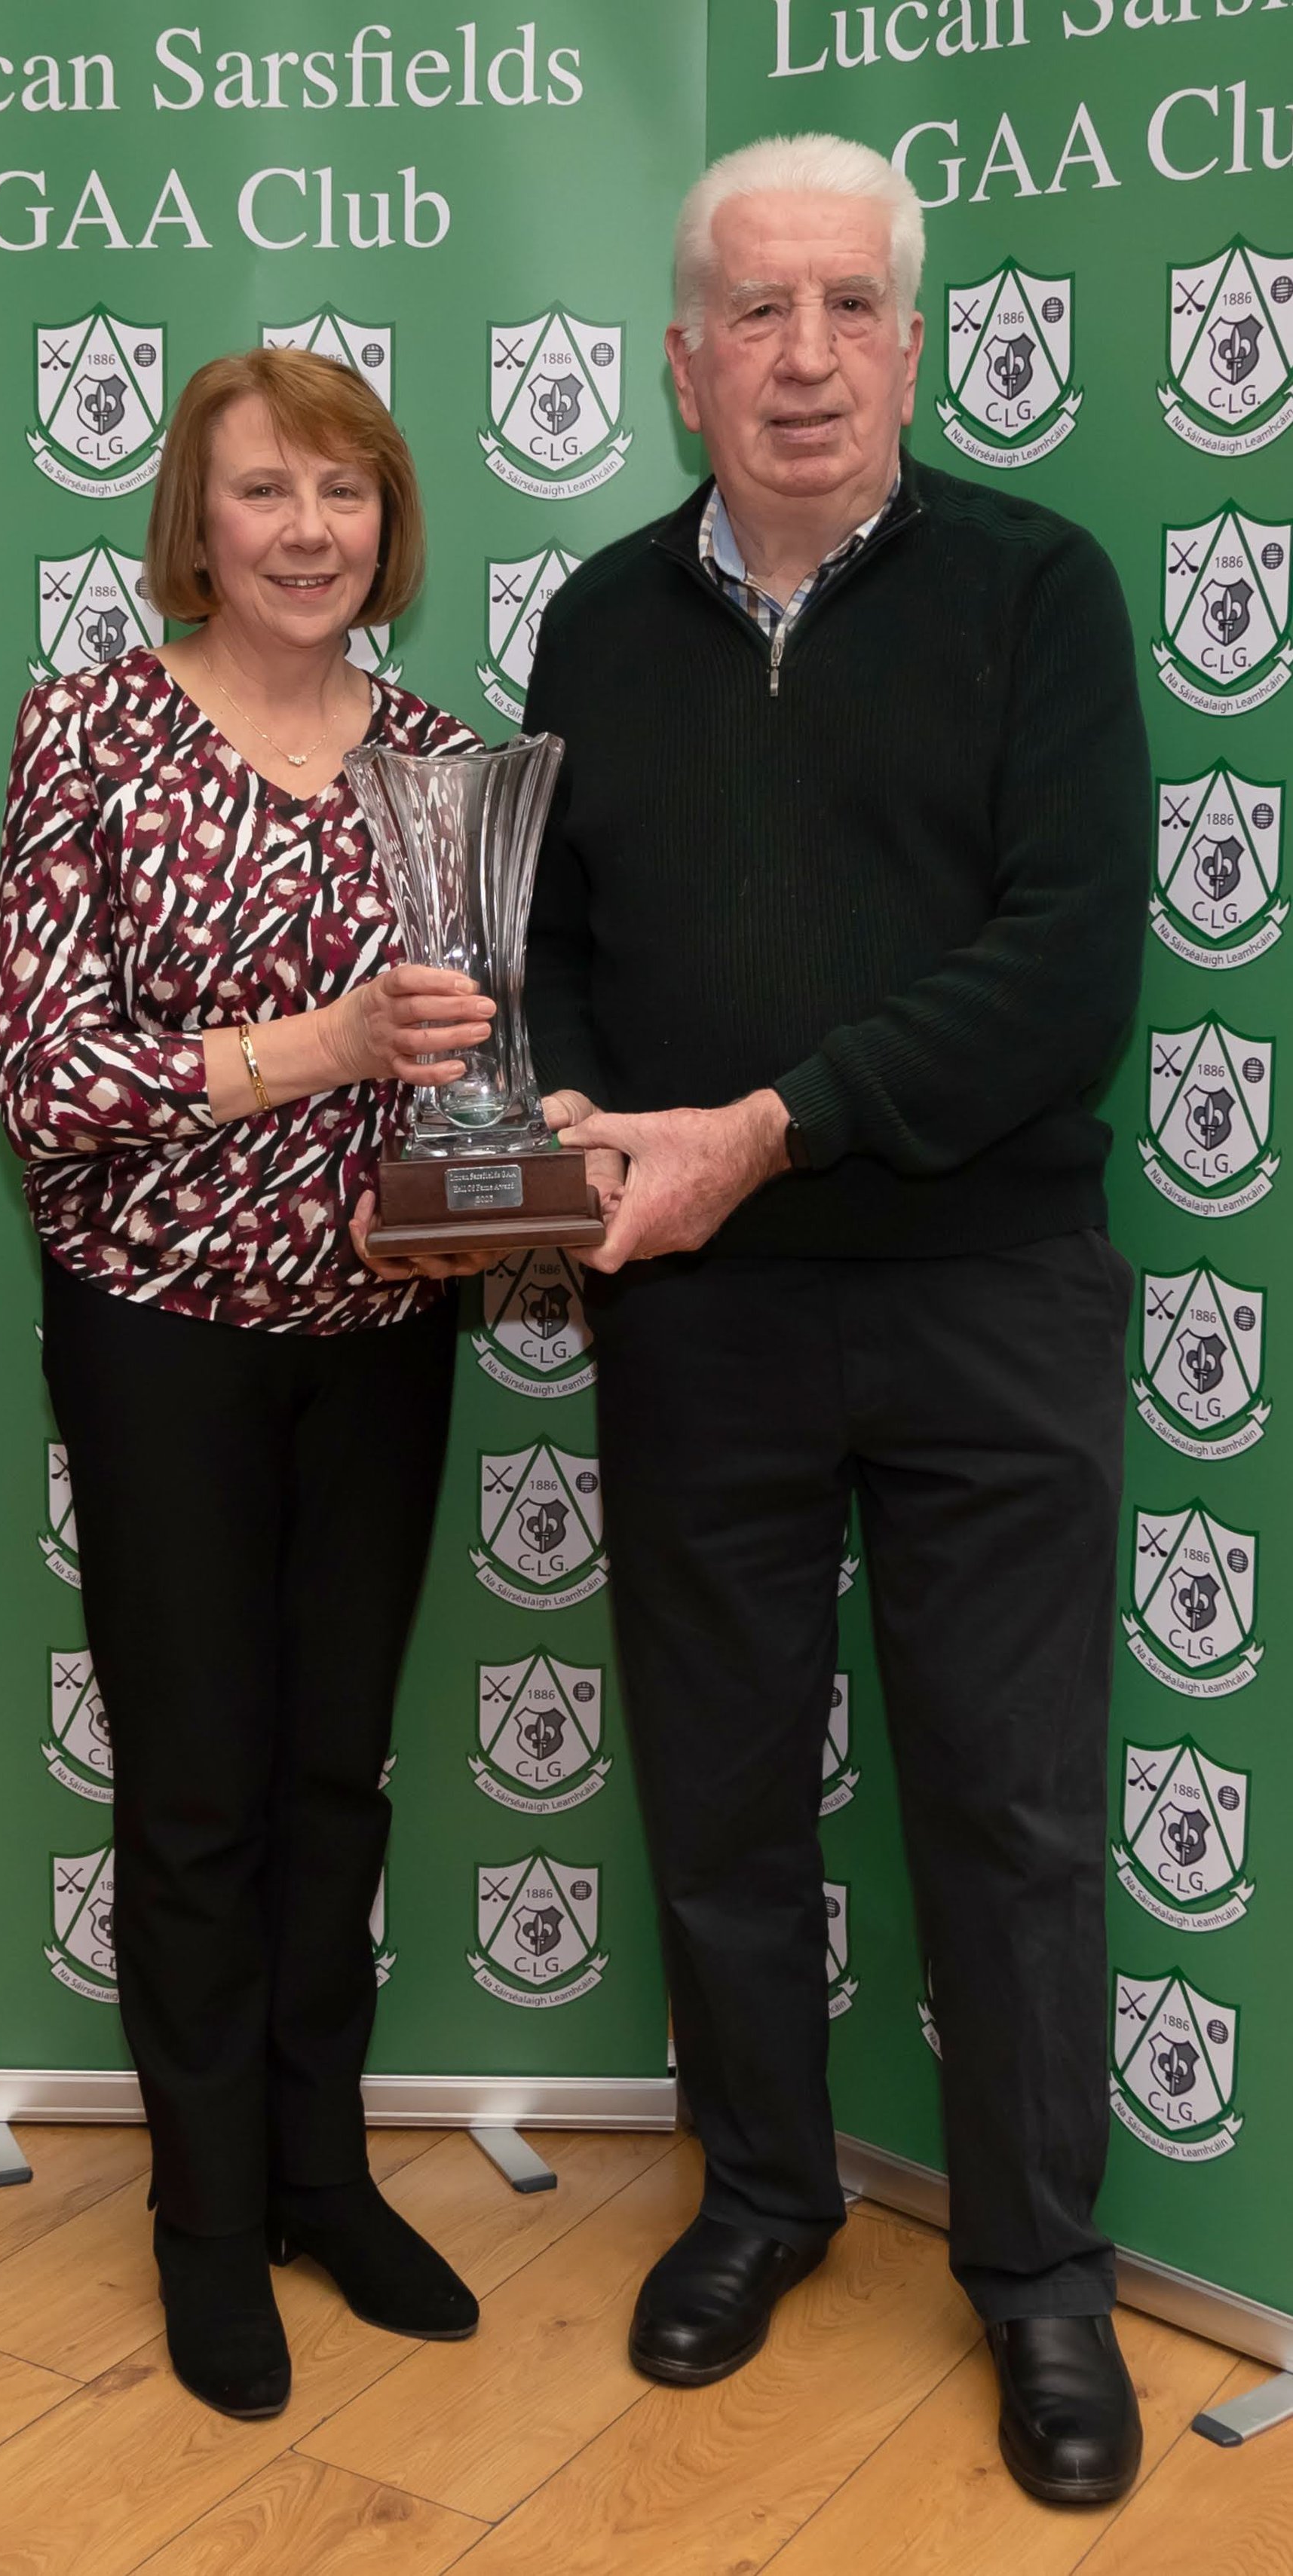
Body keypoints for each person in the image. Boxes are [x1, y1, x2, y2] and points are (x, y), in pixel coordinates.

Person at [525, 131, 1150, 2507]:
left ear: (912, 340)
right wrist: (569, 1108)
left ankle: (1042, 2272)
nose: (804, 358)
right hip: (702, 1319)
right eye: (756, 314)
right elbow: (553, 935)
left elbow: (1066, 964)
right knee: (718, 1797)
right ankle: (766, 2194)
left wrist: (768, 1126)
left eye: (849, 307)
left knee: (1011, 1809)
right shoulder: (595, 623)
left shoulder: (1039, 589)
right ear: (682, 362)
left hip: (987, 1300)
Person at [0, 346, 492, 2421]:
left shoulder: (449, 764)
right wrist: (326, 1045)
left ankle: (318, 2172)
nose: (308, 529)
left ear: (391, 522)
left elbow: (485, 1059)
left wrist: (480, 1176)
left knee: (334, 1780)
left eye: (344, 491)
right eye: (266, 490)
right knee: (200, 1790)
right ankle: (205, 2216)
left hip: (383, 1334)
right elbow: (45, 1082)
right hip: (160, 1336)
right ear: (196, 523)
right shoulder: (91, 728)